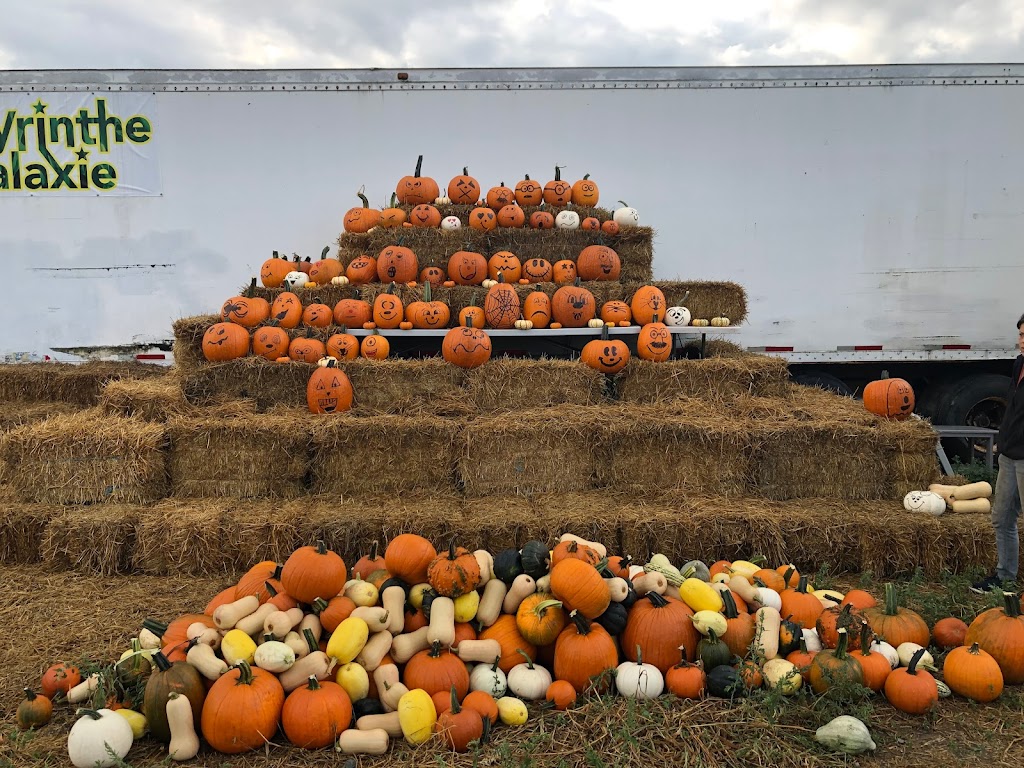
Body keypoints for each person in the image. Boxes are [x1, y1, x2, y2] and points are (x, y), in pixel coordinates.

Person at [972, 313, 1024, 593]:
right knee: (1002, 517)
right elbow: (1014, 409)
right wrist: (1002, 440)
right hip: (1009, 455)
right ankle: (1005, 578)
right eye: (1020, 335)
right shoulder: (1019, 365)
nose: (1020, 342)